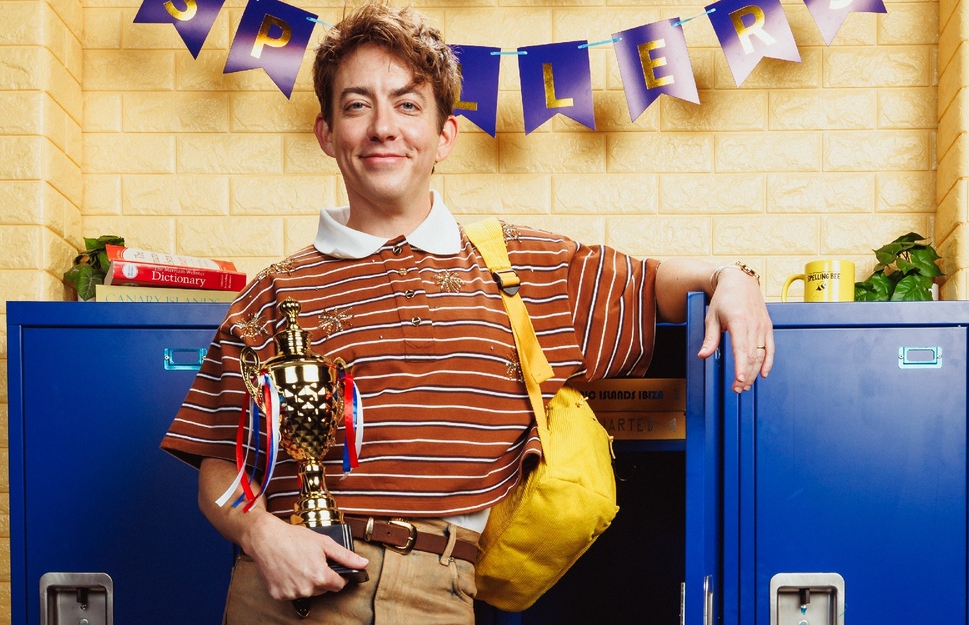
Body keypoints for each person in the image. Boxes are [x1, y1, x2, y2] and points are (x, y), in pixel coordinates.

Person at [160, 2, 774, 623]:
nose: (382, 127)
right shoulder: (272, 294)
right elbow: (219, 466)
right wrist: (262, 536)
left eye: (407, 104)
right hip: (284, 596)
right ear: (326, 133)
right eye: (356, 105)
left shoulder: (519, 267)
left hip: (436, 593)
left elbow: (652, 286)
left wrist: (732, 278)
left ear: (444, 136)